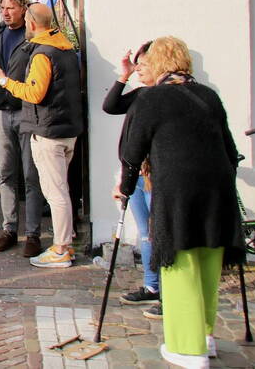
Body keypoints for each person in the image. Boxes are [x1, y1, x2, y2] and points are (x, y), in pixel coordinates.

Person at [118, 37, 244, 368]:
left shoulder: (153, 99)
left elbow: (133, 152)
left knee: (179, 265)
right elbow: (230, 150)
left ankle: (188, 349)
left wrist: (125, 187)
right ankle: (205, 336)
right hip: (217, 189)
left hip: (178, 191)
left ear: (158, 62)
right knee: (208, 263)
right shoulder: (208, 95)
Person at [0, 2, 83, 268]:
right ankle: (62, 242)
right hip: (66, 128)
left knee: (54, 191)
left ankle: (61, 248)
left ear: (32, 23)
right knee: (58, 188)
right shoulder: (65, 48)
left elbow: (35, 93)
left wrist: (3, 81)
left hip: (46, 130)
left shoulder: (42, 54)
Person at [102, 42, 161, 314]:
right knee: (147, 234)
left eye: (143, 64)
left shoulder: (167, 97)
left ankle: (167, 290)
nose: (138, 69)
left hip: (156, 175)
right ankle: (152, 287)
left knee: (160, 233)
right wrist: (123, 75)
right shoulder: (141, 94)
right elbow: (111, 105)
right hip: (135, 175)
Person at [0, 0, 44, 256]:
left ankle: (33, 233)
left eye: (10, 7)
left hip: (26, 109)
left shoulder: (33, 36)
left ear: (23, 8)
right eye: (3, 8)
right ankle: (9, 228)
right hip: (1, 108)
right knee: (5, 172)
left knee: (31, 174)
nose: (6, 13)